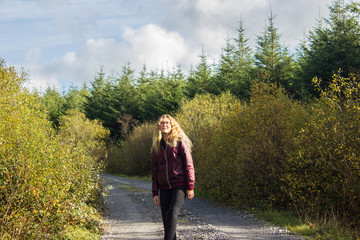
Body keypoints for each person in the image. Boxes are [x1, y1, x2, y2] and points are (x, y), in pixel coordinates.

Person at [151, 114, 195, 240]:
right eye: (162, 123)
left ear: (172, 126)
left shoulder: (180, 141)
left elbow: (189, 164)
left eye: (167, 123)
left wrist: (190, 186)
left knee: (171, 214)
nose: (164, 125)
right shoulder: (156, 145)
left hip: (179, 184)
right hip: (163, 187)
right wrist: (155, 191)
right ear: (159, 126)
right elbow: (154, 170)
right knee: (166, 219)